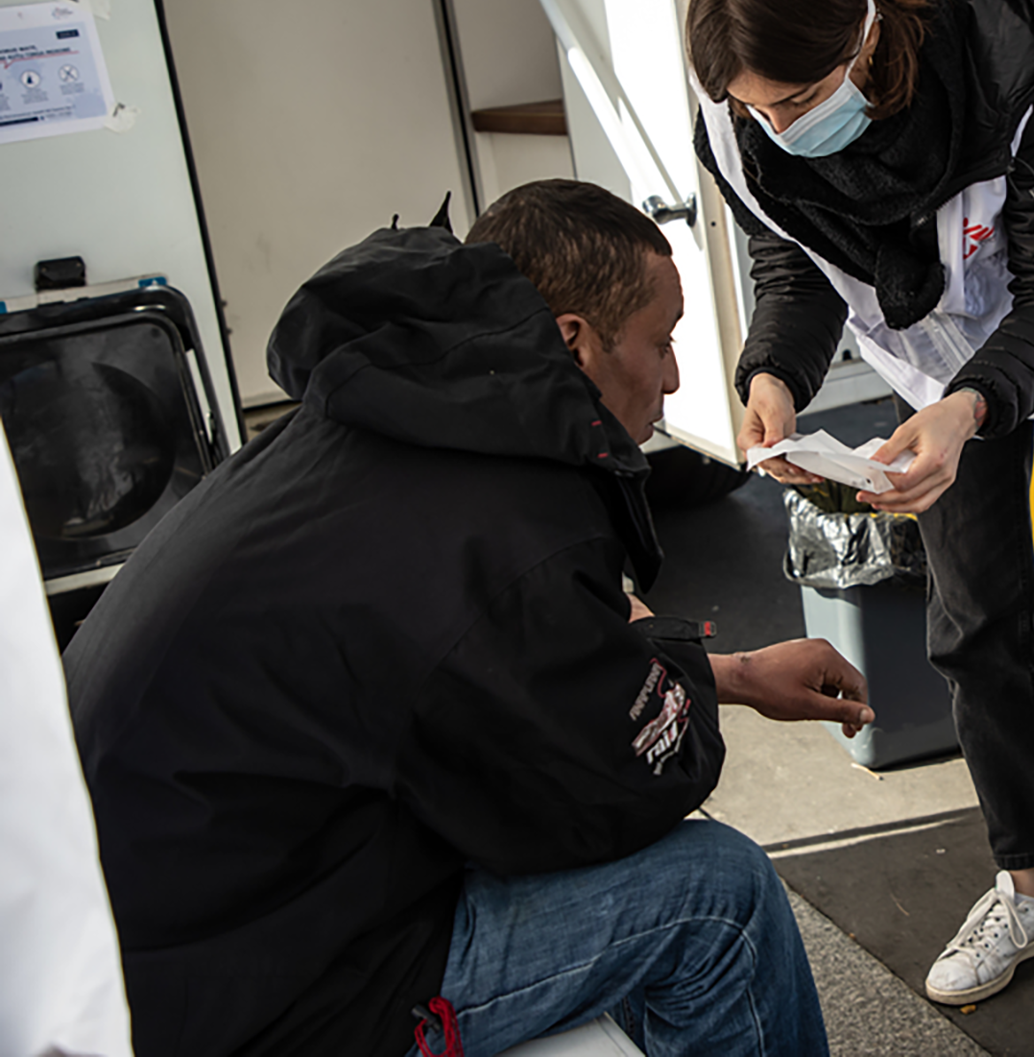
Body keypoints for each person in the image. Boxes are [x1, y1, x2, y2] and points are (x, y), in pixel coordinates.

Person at [62, 180, 873, 1057]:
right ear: (575, 341)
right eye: (662, 342)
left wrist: (733, 674)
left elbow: (472, 683)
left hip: (146, 939)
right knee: (720, 896)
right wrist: (649, 666)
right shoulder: (500, 525)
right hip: (262, 993)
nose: (674, 375)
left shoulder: (390, 420)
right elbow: (629, 781)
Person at [684, 0, 1034, 1025]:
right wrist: (773, 375)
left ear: (865, 35)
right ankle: (1030, 887)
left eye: (801, 101)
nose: (776, 126)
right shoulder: (741, 111)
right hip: (937, 348)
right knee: (973, 625)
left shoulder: (1015, 62)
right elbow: (796, 268)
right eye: (754, 108)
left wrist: (970, 410)